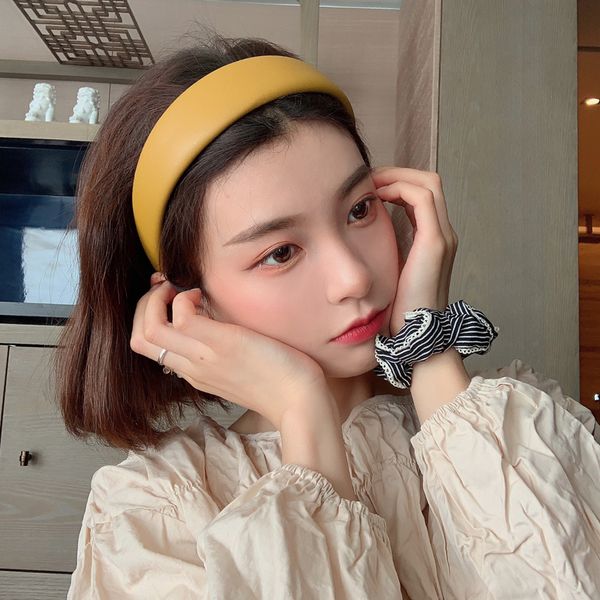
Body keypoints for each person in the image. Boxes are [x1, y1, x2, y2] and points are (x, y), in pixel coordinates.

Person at [57, 28, 600, 599]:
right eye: (280, 253)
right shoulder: (154, 507)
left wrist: (430, 353)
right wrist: (303, 417)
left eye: (359, 209)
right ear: (189, 298)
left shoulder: (515, 429)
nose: (354, 277)